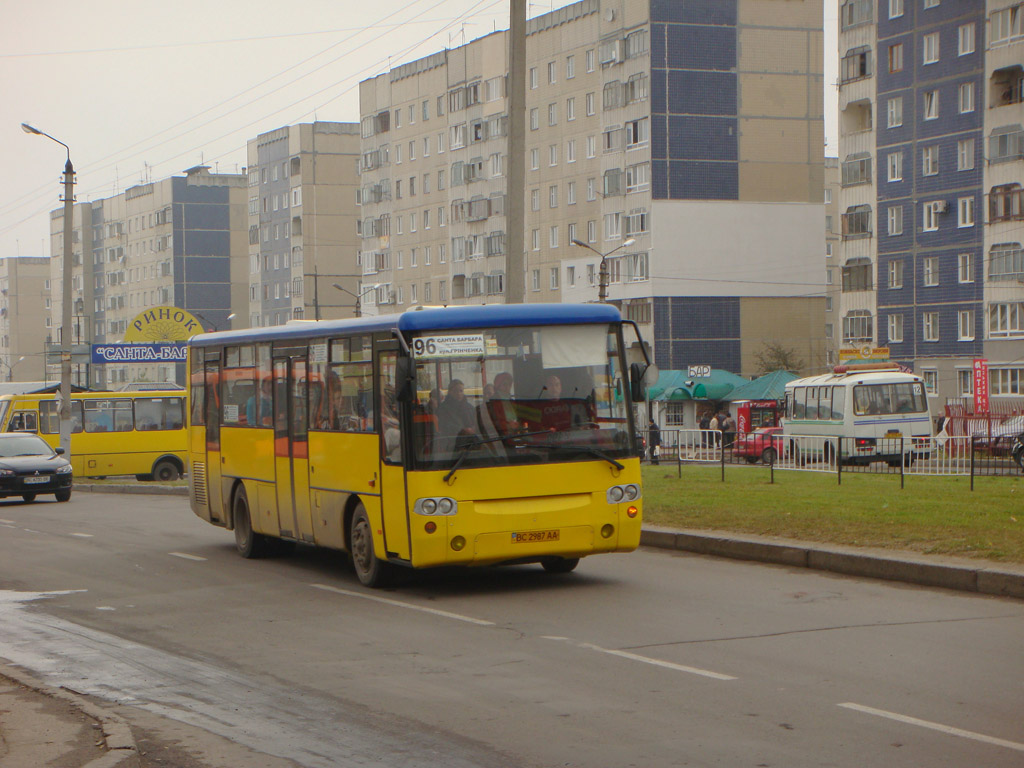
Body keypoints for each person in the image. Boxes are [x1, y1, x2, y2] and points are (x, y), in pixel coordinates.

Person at [436, 379, 478, 447]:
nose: (459, 393)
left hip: (472, 442)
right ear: (450, 392)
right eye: (455, 391)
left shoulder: (469, 407)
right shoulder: (443, 408)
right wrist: (463, 431)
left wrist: (473, 428)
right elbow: (444, 425)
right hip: (452, 443)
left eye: (461, 391)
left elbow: (476, 422)